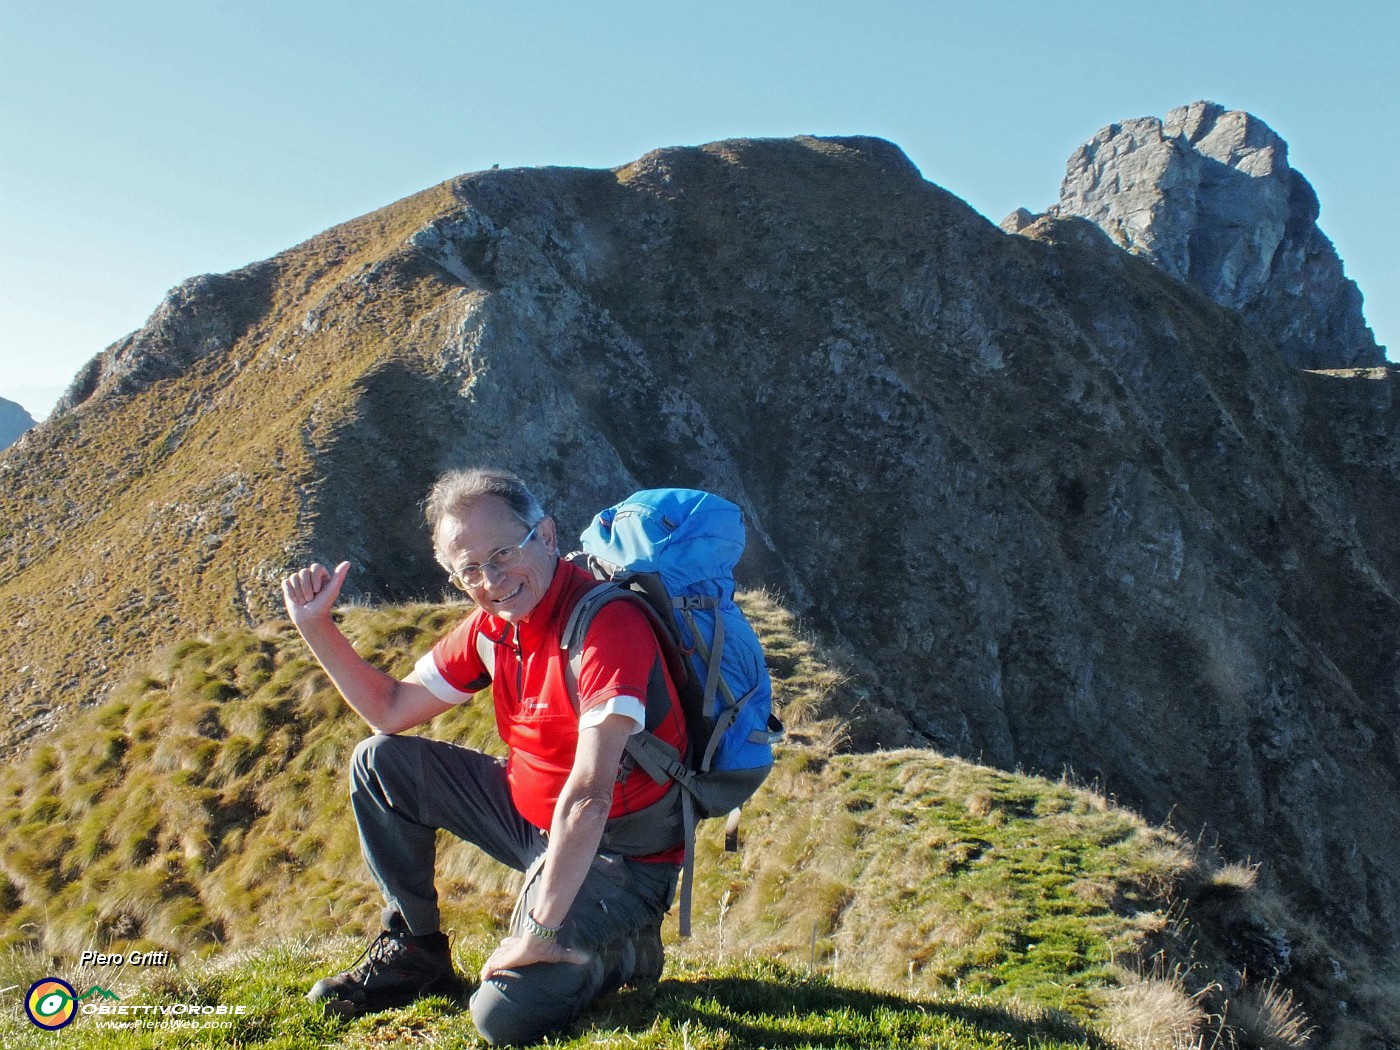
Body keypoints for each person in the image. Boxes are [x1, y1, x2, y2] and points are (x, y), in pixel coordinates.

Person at [280, 468, 688, 1045]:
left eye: (502, 553)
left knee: (502, 1014)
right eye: (468, 569)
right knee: (381, 763)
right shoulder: (494, 628)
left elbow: (592, 797)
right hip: (531, 818)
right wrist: (315, 625)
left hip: (620, 854)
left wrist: (539, 934)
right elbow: (392, 709)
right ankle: (415, 951)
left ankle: (627, 950)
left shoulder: (608, 627)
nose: (491, 580)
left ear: (545, 535)